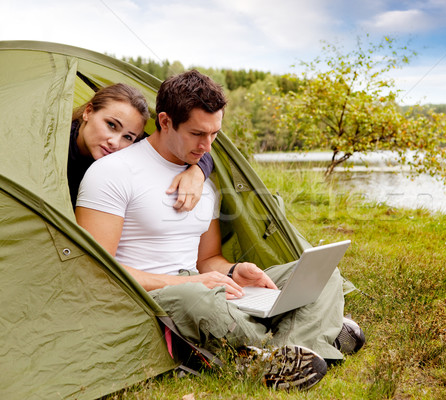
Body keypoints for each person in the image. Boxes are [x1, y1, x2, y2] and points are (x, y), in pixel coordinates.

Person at [75, 70, 364, 391]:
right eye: (197, 133)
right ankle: (312, 335)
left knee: (324, 274)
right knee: (196, 298)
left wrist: (234, 270)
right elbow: (99, 269)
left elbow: (208, 258)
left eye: (214, 134)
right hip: (155, 295)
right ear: (166, 121)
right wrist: (190, 281)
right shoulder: (111, 172)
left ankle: (281, 352)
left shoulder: (202, 179)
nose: (207, 145)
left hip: (203, 285)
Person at [68, 83, 213, 210]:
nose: (115, 142)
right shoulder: (55, 143)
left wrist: (197, 172)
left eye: (128, 137)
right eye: (111, 125)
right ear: (88, 112)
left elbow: (196, 151)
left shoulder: (134, 149)